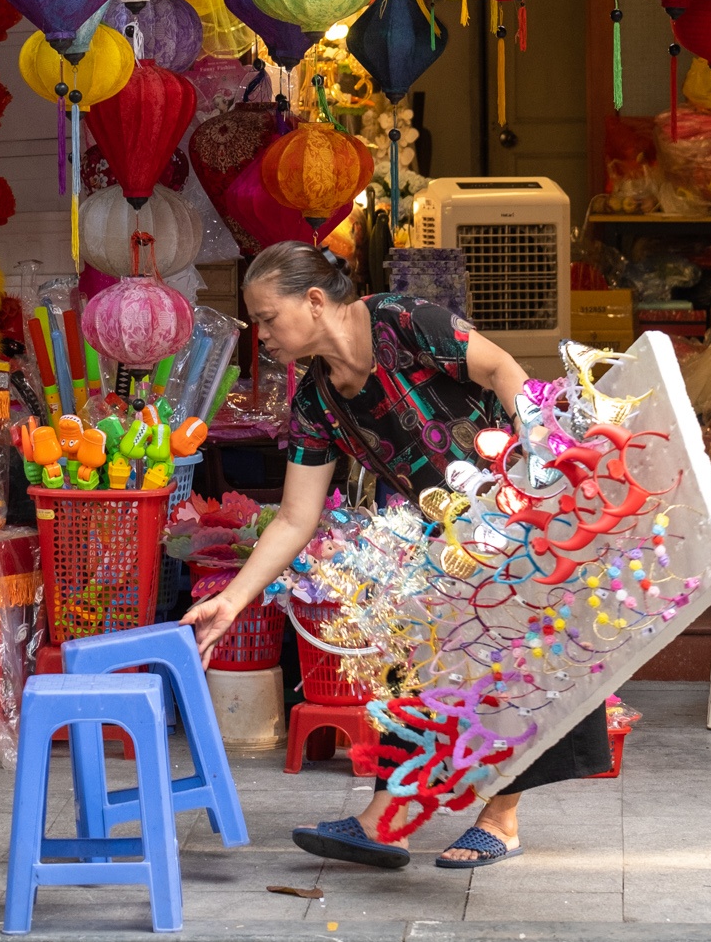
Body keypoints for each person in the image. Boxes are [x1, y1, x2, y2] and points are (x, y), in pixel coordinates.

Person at [181, 241, 611, 868]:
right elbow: (297, 518)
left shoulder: (402, 322)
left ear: (316, 301)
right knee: (415, 662)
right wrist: (233, 598)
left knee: (517, 661)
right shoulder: (314, 401)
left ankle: (501, 817)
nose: (263, 334)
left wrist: (538, 461)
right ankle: (391, 817)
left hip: (522, 505)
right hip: (451, 537)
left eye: (269, 318)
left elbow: (499, 369)